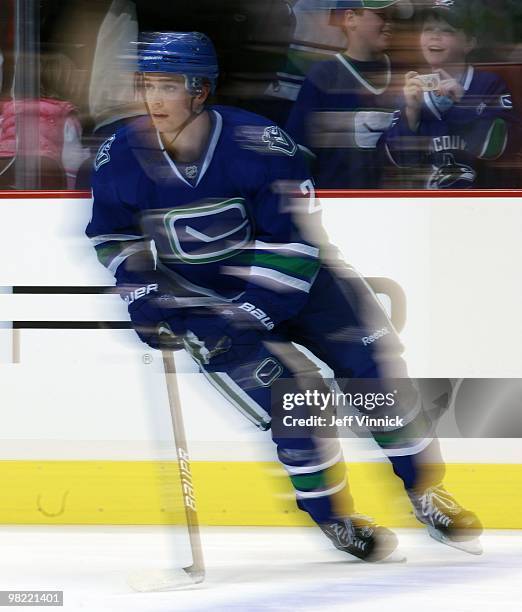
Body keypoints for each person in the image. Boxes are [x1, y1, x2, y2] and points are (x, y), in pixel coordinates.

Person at [86, 31, 482, 561]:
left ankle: (424, 491)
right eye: (146, 85)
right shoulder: (119, 158)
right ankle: (333, 519)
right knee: (294, 406)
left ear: (200, 90)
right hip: (211, 302)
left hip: (307, 288)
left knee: (376, 383)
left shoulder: (258, 142)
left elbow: (295, 244)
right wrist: (141, 294)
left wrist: (250, 310)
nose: (154, 100)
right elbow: (114, 238)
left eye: (169, 86)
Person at [386, 0, 518, 189]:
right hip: (427, 208)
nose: (435, 36)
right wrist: (411, 114)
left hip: (481, 205)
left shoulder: (490, 85)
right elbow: (399, 161)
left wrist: (463, 104)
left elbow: (499, 149)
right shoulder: (411, 90)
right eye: (428, 29)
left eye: (447, 30)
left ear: (469, 43)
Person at [285, 0, 413, 188]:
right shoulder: (325, 75)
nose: (390, 24)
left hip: (396, 204)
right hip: (336, 203)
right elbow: (301, 154)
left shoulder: (406, 75)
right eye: (382, 15)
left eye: (394, 17)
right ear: (350, 18)